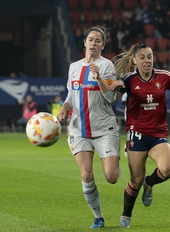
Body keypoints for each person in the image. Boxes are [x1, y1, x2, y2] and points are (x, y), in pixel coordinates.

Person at [109, 43, 170, 228]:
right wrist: (116, 86)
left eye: (150, 56)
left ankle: (150, 183)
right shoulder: (129, 79)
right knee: (135, 181)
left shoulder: (164, 76)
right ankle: (126, 216)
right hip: (136, 135)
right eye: (143, 57)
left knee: (168, 169)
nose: (147, 60)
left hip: (158, 134)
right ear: (134, 60)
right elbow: (113, 96)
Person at [57, 26, 121, 229]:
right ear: (84, 42)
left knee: (111, 177)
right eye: (91, 40)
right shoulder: (74, 67)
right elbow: (70, 95)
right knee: (86, 174)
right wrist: (64, 108)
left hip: (104, 129)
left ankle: (120, 157)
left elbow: (111, 97)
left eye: (98, 41)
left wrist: (99, 78)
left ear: (103, 45)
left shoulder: (107, 65)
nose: (93, 44)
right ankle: (98, 217)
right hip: (79, 129)